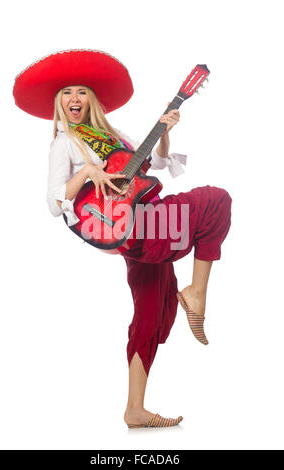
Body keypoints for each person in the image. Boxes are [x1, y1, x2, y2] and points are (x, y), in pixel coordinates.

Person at [13, 49, 232, 429]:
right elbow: (53, 202)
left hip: (143, 222)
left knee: (150, 311)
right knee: (215, 200)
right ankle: (196, 293)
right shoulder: (64, 144)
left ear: (92, 100)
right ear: (58, 103)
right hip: (141, 227)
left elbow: (158, 166)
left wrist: (165, 132)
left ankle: (135, 409)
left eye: (82, 92)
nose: (75, 99)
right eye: (67, 93)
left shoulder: (115, 136)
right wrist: (89, 174)